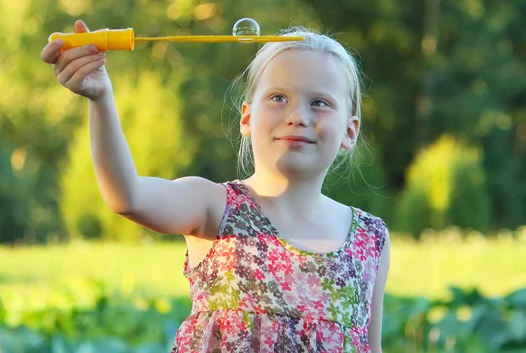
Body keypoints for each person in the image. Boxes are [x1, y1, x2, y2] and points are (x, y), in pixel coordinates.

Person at [40, 20, 391, 352]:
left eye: (320, 103)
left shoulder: (370, 238)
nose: (298, 115)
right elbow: (127, 196)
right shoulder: (215, 206)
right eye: (278, 98)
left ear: (350, 131)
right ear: (247, 117)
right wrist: (100, 98)